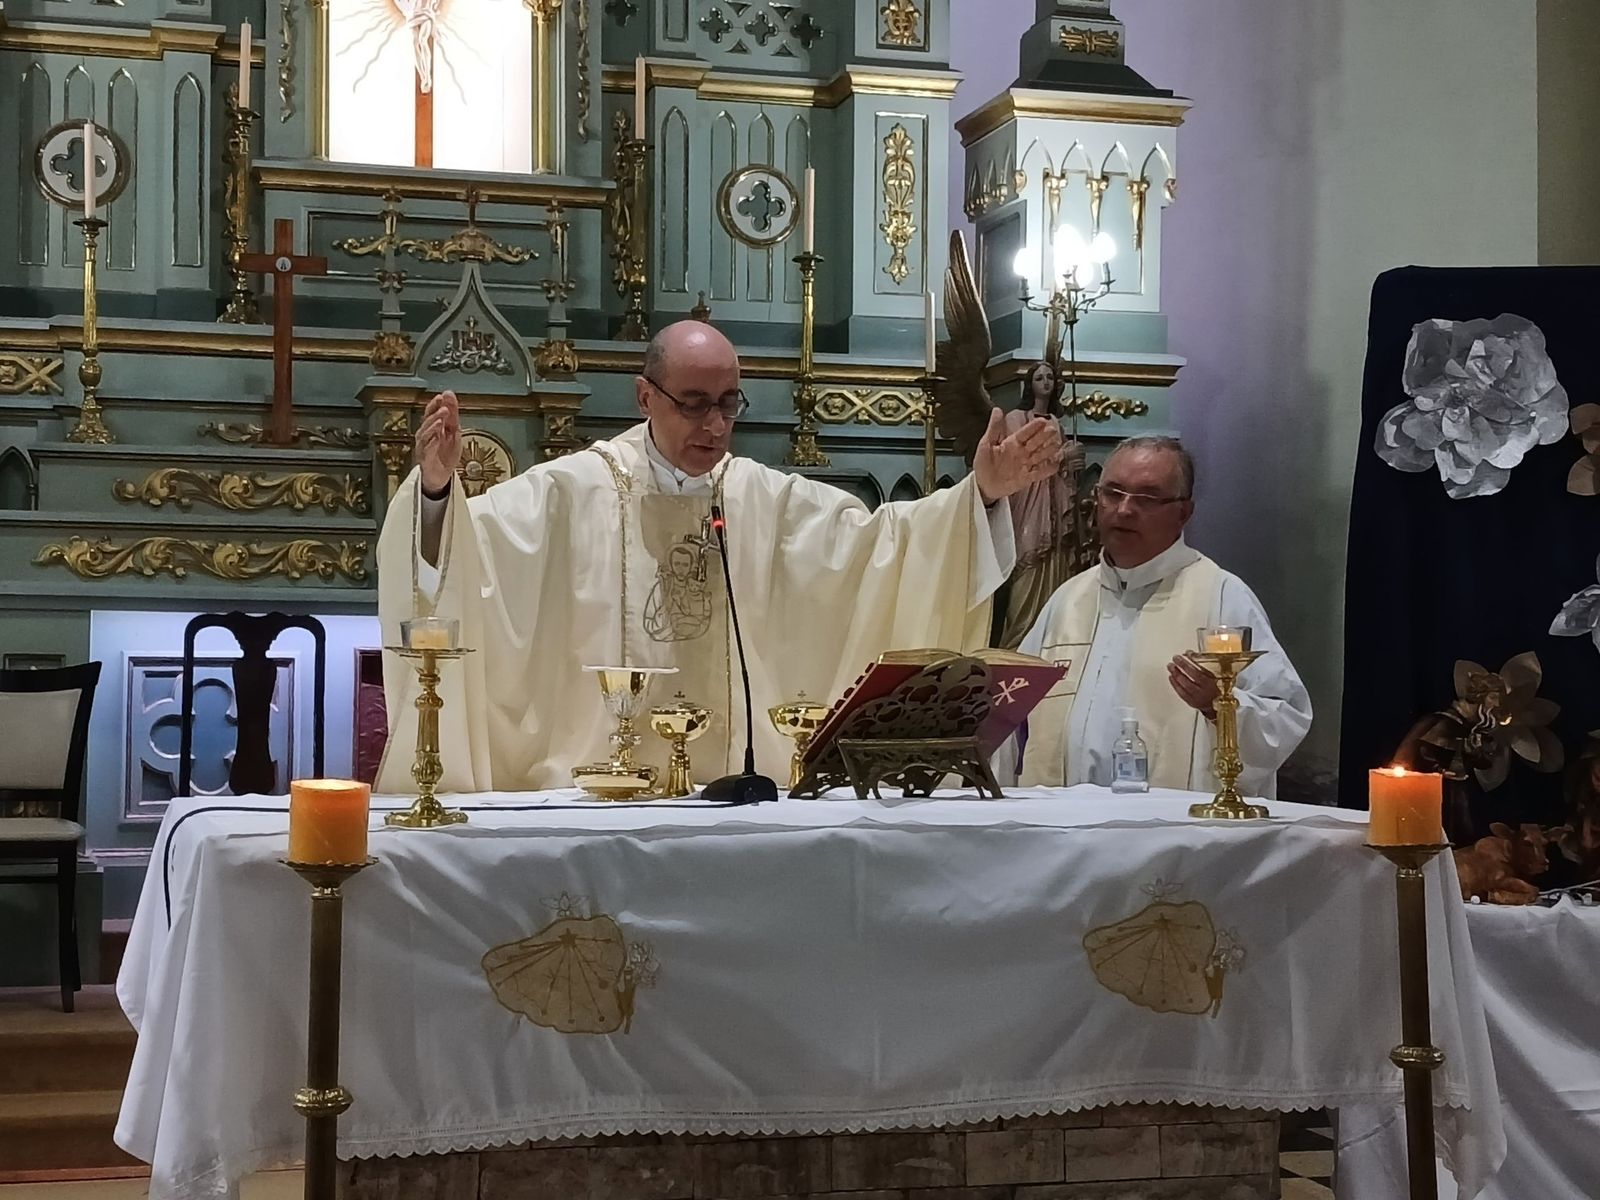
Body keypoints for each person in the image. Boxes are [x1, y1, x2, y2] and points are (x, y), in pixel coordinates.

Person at [376, 321, 1063, 792]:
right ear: (646, 396)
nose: (714, 425)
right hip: (601, 799)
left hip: (740, 795)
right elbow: (464, 558)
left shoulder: (766, 500)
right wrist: (436, 491)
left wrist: (984, 496)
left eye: (729, 404)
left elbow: (885, 549)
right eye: (695, 403)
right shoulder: (569, 491)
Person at [999, 435, 1310, 796]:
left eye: (1146, 498)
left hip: (1171, 836)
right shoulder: (1068, 599)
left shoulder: (1221, 595)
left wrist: (1220, 706)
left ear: (1184, 512)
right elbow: (1009, 717)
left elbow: (1286, 717)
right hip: (1064, 827)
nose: (1124, 510)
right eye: (1112, 493)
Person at [994, 360, 1089, 649]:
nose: (1045, 382)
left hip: (1052, 506)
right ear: (1030, 384)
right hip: (1026, 507)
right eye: (1039, 377)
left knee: (1054, 570)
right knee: (1026, 575)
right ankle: (1016, 643)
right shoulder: (1015, 418)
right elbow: (1016, 460)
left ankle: (1047, 641)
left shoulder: (1057, 423)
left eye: (1050, 377)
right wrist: (1060, 457)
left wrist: (1072, 461)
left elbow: (1061, 470)